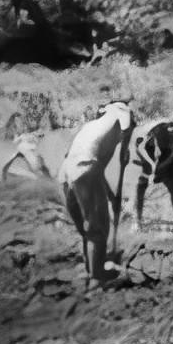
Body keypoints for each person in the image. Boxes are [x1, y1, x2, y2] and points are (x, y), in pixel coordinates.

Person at [58, 101, 135, 281]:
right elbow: (125, 117)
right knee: (98, 230)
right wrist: (125, 144)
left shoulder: (91, 128)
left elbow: (97, 171)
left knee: (88, 230)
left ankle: (92, 268)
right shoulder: (117, 113)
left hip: (65, 175)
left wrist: (111, 197)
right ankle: (98, 276)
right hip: (83, 171)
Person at [132, 116, 173, 233]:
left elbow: (170, 153)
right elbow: (142, 147)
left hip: (164, 166)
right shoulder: (158, 130)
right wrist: (151, 167)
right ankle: (137, 222)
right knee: (141, 190)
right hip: (153, 168)